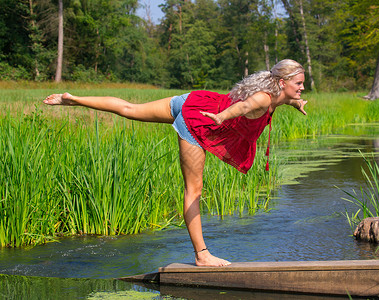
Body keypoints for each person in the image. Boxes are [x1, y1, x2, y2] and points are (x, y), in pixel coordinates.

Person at [43, 59, 307, 267]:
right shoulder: (263, 98)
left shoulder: (281, 95)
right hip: (199, 121)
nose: (302, 87)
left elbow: (285, 100)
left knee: (131, 109)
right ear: (282, 82)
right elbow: (244, 106)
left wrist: (296, 103)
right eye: (299, 83)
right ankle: (202, 255)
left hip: (193, 100)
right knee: (194, 189)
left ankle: (72, 99)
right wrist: (220, 117)